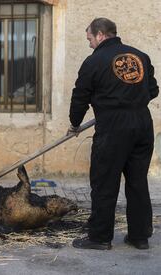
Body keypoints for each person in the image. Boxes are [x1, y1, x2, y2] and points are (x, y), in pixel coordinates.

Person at [68, 18, 158, 250]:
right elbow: (153, 90)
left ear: (100, 34)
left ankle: (99, 238)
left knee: (104, 182)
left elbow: (80, 96)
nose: (89, 44)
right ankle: (140, 237)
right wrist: (132, 102)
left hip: (112, 128)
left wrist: (75, 123)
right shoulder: (140, 56)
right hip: (142, 124)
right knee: (138, 182)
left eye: (89, 38)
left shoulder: (94, 61)